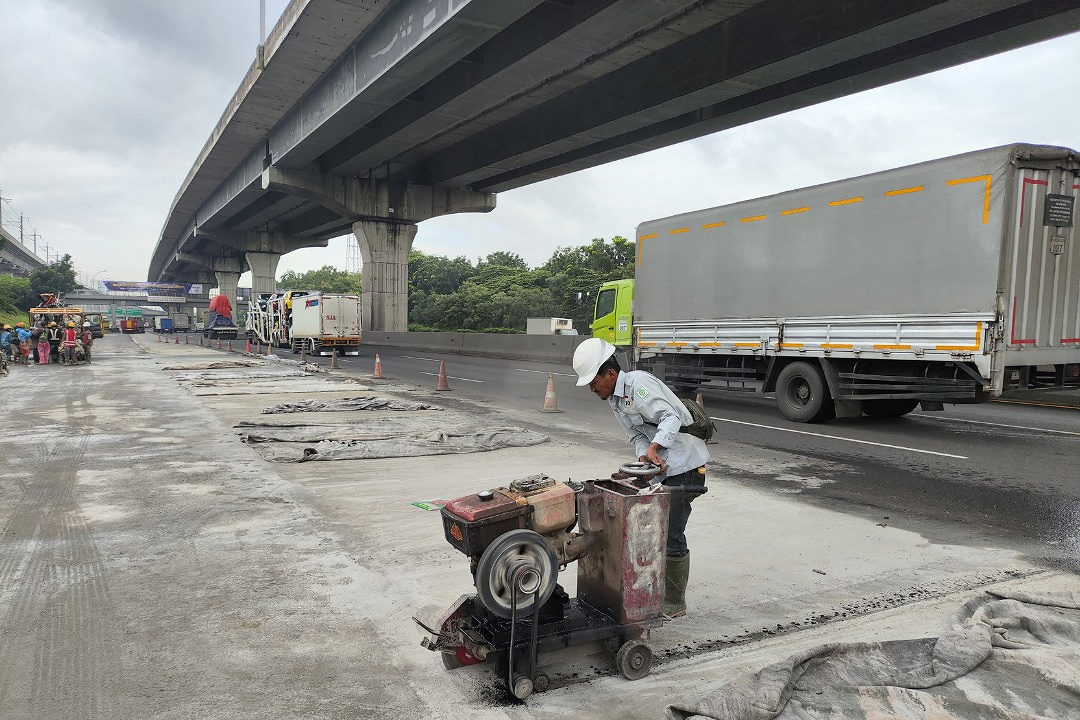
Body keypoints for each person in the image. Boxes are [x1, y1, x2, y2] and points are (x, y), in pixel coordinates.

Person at [572, 337, 709, 619]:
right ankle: (650, 588)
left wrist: (655, 447)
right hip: (664, 467)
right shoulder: (615, 399)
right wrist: (644, 459)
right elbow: (636, 435)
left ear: (610, 373)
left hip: (685, 466)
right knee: (648, 527)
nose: (591, 388)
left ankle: (674, 602)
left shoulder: (638, 386)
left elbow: (670, 417)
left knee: (671, 533)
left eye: (593, 381)